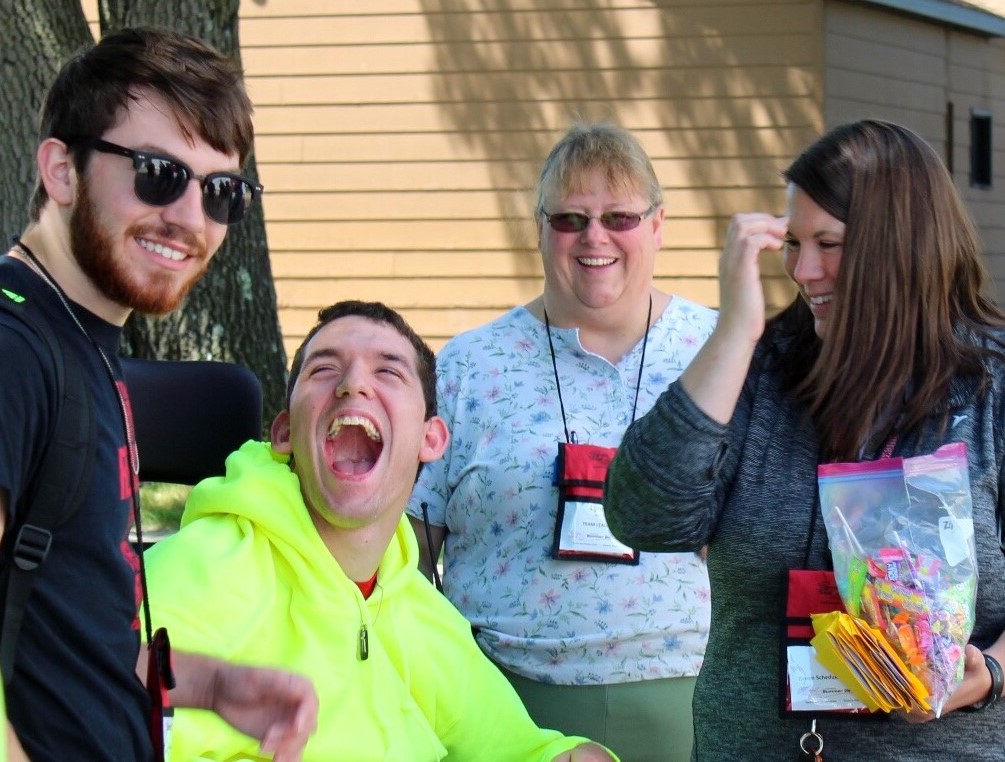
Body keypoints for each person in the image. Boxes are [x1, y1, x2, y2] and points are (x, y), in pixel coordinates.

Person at [604, 119, 1005, 760]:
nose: (805, 269)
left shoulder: (990, 388)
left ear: (900, 246)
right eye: (792, 242)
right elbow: (642, 515)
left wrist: (992, 671)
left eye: (830, 243)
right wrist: (735, 332)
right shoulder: (760, 374)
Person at [0, 27, 317, 761]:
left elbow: (69, 636)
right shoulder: (16, 351)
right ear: (62, 170)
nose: (189, 218)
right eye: (156, 173)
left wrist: (212, 686)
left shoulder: (82, 343)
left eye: (221, 192)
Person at [142, 300, 617, 761]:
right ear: (283, 434)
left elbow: (516, 747)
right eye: (324, 369)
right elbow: (106, 724)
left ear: (431, 440)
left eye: (388, 372)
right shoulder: (203, 569)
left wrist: (569, 755)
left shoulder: (419, 609)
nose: (352, 386)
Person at [405, 121, 716, 761]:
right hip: (498, 707)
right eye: (570, 218)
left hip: (692, 703)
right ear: (540, 230)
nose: (594, 236)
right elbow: (406, 552)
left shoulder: (723, 355)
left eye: (619, 217)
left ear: (658, 226)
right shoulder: (467, 368)